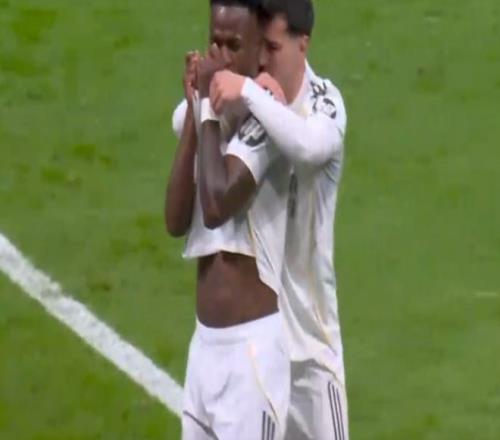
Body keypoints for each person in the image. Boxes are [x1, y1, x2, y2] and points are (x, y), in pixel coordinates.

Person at [209, 0, 349, 438]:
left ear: (302, 44)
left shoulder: (324, 104)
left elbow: (307, 146)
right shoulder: (254, 97)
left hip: (312, 349)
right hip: (258, 345)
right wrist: (225, 95)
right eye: (260, 47)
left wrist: (250, 94)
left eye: (273, 47)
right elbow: (182, 123)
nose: (264, 59)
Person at [165, 1, 291, 439]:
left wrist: (206, 112)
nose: (220, 58)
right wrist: (196, 108)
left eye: (234, 46)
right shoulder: (208, 114)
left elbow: (217, 205)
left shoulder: (271, 116)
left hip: (251, 356)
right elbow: (175, 219)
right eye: (214, 43)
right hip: (205, 349)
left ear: (260, 51)